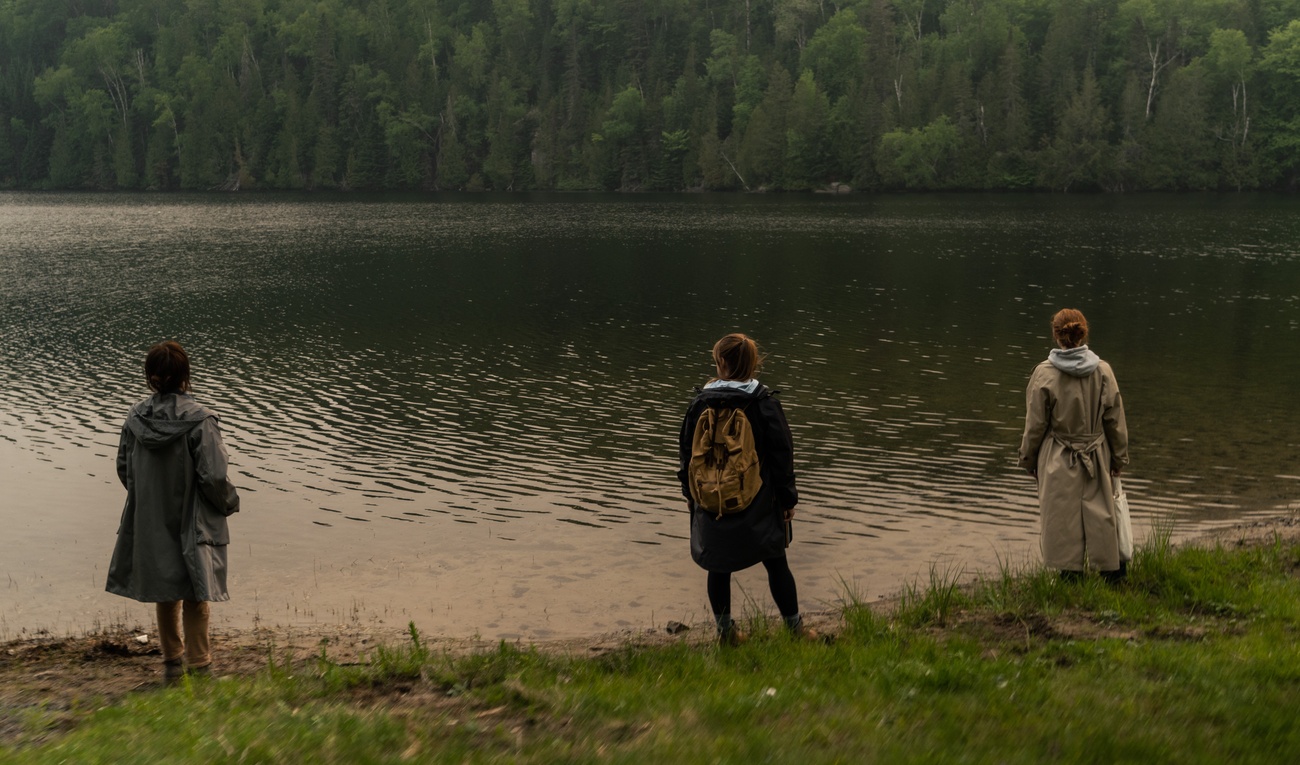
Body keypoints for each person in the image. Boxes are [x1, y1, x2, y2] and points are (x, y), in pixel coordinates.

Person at [106, 341, 240, 683]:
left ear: (151, 379)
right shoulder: (201, 420)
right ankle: (201, 666)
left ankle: (171, 664)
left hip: (150, 517)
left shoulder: (135, 418)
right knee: (196, 591)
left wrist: (148, 499)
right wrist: (229, 504)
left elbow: (124, 468)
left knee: (165, 589)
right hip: (192, 517)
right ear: (186, 376)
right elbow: (214, 477)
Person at [677, 333, 812, 644]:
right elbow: (782, 455)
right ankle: (796, 630)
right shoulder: (763, 404)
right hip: (760, 498)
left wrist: (689, 493)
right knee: (776, 561)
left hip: (711, 499)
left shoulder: (699, 403)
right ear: (753, 364)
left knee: (717, 567)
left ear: (721, 363)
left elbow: (686, 452)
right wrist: (788, 498)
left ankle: (727, 634)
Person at [1018, 309, 1130, 582]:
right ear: (1083, 333)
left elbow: (1035, 426)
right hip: (1097, 451)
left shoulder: (1043, 374)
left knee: (1061, 516)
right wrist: (1118, 459)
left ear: (1056, 334)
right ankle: (1112, 573)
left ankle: (1070, 576)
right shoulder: (1103, 371)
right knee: (1102, 513)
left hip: (1058, 453)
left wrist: (1028, 460)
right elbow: (1115, 420)